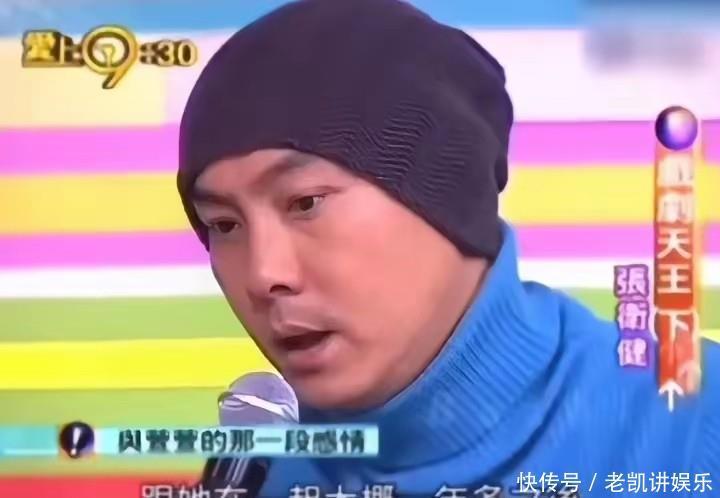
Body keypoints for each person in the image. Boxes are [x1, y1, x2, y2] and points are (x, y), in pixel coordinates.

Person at [177, 0, 720, 495]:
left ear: (444, 190)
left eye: (305, 203)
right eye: (223, 225)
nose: (264, 274)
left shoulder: (693, 424)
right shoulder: (260, 469)